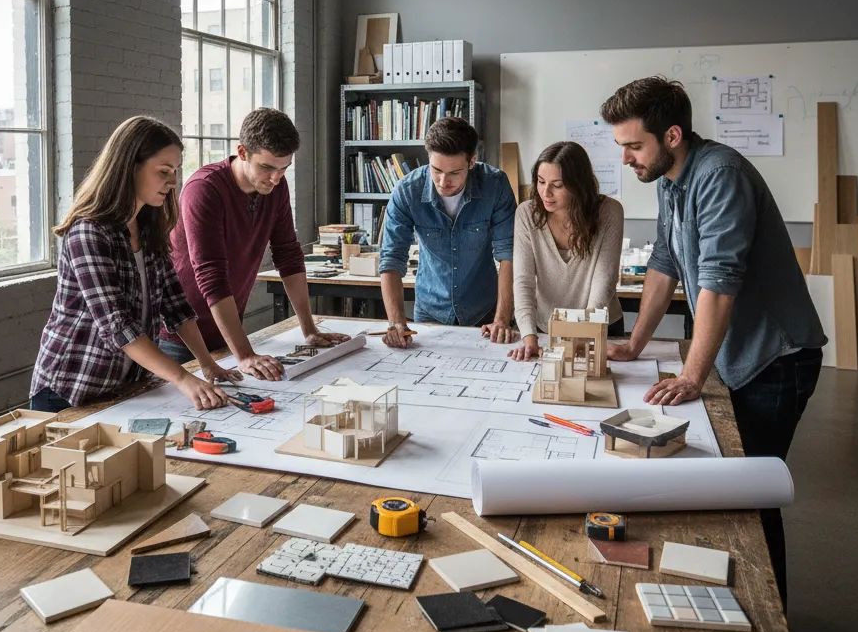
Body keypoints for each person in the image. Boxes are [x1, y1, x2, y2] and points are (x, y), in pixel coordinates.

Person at [600, 76, 825, 608]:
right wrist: (633, 345)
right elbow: (664, 264)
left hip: (775, 359)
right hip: (738, 356)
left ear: (672, 134)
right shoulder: (670, 178)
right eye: (622, 147)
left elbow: (721, 281)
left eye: (634, 145)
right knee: (731, 490)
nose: (627, 159)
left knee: (752, 498)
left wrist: (692, 375)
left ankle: (773, 619)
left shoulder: (720, 174)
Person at [30, 116, 238, 413]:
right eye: (164, 171)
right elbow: (117, 325)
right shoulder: (88, 232)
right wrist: (183, 379)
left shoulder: (148, 228)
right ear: (129, 167)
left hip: (122, 388)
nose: (173, 181)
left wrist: (207, 364)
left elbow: (176, 305)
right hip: (69, 391)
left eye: (176, 171)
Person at [160, 108, 348, 380]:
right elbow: (211, 275)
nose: (275, 178)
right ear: (243, 152)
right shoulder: (204, 189)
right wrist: (245, 355)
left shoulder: (275, 187)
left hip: (225, 333)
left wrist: (309, 330)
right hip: (180, 338)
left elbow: (288, 255)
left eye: (284, 169)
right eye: (267, 167)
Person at [378, 116, 517, 348]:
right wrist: (396, 322)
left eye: (454, 173)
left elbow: (508, 254)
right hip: (430, 310)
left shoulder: (495, 185)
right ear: (428, 157)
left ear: (472, 162)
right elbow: (391, 259)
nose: (443, 182)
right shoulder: (407, 191)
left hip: (484, 312)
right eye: (436, 170)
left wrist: (501, 319)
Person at [508, 141, 625, 361]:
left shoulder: (609, 212)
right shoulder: (526, 214)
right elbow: (523, 281)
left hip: (599, 327)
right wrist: (529, 338)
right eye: (541, 182)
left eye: (557, 185)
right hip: (546, 328)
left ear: (578, 185)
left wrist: (582, 336)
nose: (546, 192)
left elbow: (604, 281)